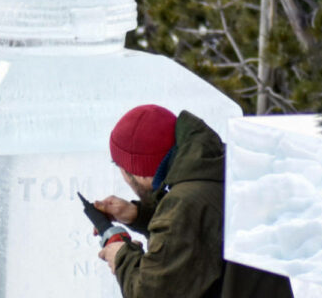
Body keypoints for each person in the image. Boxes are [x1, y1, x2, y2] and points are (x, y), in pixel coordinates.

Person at [94, 104, 293, 298]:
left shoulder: (185, 204)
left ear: (139, 171)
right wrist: (140, 215)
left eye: (119, 166)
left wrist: (121, 256)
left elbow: (151, 291)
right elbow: (203, 234)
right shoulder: (223, 170)